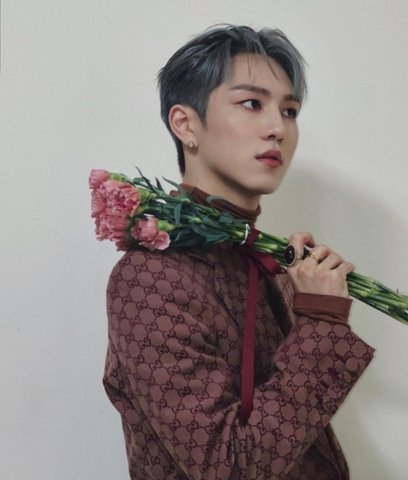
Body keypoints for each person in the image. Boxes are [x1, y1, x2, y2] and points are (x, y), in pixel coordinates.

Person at [103, 25, 375, 480]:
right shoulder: (148, 278)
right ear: (185, 124)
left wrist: (310, 301)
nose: (278, 129)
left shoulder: (270, 264)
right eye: (251, 103)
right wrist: (322, 322)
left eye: (289, 111)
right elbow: (228, 467)